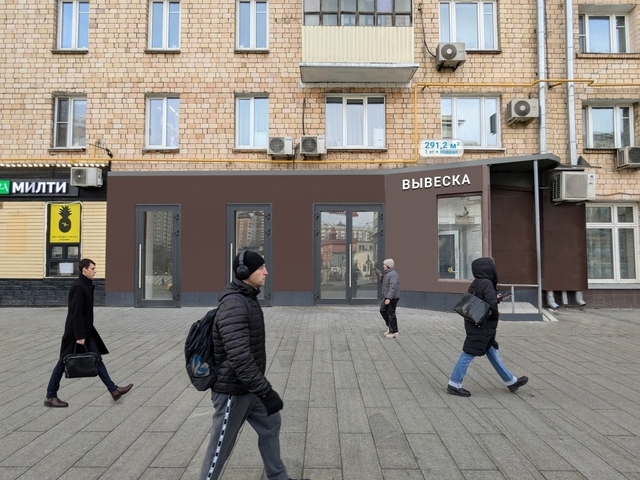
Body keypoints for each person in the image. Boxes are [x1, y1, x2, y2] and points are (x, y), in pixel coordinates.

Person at [200, 251, 304, 480]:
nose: (266, 272)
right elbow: (240, 358)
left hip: (248, 387)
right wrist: (266, 392)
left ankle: (279, 477)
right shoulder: (235, 305)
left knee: (271, 423)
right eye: (260, 268)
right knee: (220, 449)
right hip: (232, 391)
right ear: (244, 272)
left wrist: (260, 391)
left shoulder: (248, 298)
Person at [44, 259, 133, 407]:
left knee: (96, 359)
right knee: (63, 362)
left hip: (86, 331)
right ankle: (50, 396)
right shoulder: (78, 287)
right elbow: (76, 313)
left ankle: (114, 390)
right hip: (75, 333)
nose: (95, 271)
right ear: (84, 269)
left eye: (94, 268)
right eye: (92, 268)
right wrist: (79, 336)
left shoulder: (86, 285)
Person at [447, 257, 528, 397]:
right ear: (488, 268)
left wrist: (497, 298)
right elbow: (491, 304)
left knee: (491, 351)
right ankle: (454, 383)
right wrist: (496, 314)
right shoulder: (487, 283)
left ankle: (510, 381)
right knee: (469, 352)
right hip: (482, 325)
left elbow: (479, 300)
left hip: (475, 322)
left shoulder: (477, 282)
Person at [378, 258, 400, 338]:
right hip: (389, 296)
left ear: (388, 266)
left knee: (391, 313)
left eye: (384, 265)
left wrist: (388, 298)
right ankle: (390, 327)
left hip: (392, 297)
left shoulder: (393, 275)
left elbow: (392, 288)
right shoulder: (388, 274)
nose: (383, 266)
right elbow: (385, 285)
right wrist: (381, 277)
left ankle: (394, 332)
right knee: (382, 310)